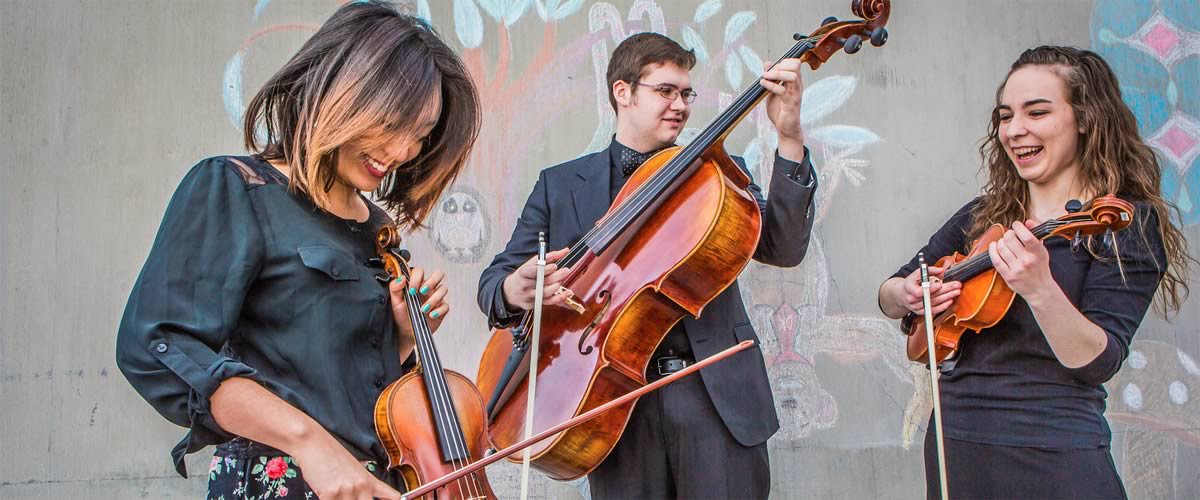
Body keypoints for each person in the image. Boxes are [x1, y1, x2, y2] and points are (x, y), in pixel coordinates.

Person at [115, 2, 481, 498]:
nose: (401, 153)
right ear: (342, 91)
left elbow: (343, 386)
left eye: (419, 136)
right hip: (279, 482)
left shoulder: (378, 230)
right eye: (393, 124)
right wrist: (308, 442)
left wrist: (398, 337)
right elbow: (157, 345)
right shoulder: (236, 188)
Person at [476, 32, 818, 499]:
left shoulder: (717, 174)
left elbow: (783, 248)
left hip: (713, 398)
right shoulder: (560, 186)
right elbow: (494, 283)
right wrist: (517, 287)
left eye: (685, 93)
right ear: (623, 92)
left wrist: (789, 137)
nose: (679, 104)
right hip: (610, 404)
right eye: (665, 91)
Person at [877, 46, 1192, 499]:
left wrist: (1040, 288)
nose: (1014, 130)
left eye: (1037, 112)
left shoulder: (1121, 224)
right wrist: (906, 293)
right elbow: (892, 290)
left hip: (1055, 449)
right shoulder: (985, 215)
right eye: (1006, 116)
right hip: (957, 442)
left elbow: (1098, 361)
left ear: (1085, 118)